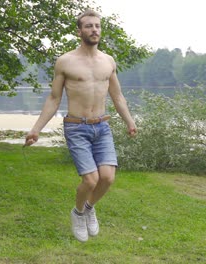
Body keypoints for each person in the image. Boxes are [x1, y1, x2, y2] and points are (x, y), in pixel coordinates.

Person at [24, 9, 137, 242]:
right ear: (79, 31)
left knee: (107, 178)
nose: (94, 30)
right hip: (76, 127)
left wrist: (129, 121)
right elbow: (54, 98)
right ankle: (77, 213)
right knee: (90, 180)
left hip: (102, 126)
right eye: (88, 26)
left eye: (97, 26)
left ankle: (88, 207)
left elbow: (117, 97)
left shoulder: (108, 61)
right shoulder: (65, 62)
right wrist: (36, 129)